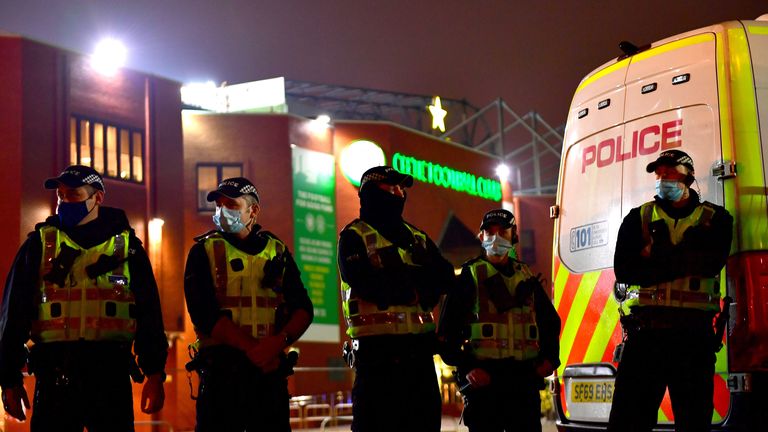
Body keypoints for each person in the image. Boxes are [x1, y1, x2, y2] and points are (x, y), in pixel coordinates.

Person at [0, 165, 167, 432]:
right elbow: (13, 314)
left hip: (110, 375)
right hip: (55, 375)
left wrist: (155, 373)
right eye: (60, 196)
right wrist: (8, 379)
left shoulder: (128, 248)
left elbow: (149, 314)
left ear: (97, 198)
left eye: (73, 195)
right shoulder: (39, 245)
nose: (64, 202)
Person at [608, 150, 733, 432]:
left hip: (693, 339)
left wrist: (654, 256)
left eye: (669, 174)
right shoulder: (637, 217)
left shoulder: (717, 219)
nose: (663, 179)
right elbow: (625, 271)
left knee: (693, 423)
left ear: (687, 177)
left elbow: (710, 263)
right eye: (659, 175)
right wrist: (685, 256)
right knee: (627, 423)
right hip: (647, 335)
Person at [184, 177, 313, 432]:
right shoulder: (203, 251)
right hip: (222, 371)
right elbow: (204, 314)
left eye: (230, 204)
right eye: (218, 205)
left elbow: (304, 309)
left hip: (269, 375)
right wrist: (256, 350)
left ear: (252, 210)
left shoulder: (278, 251)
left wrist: (278, 342)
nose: (221, 211)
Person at [338, 166, 455, 432]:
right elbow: (367, 285)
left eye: (401, 190)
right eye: (391, 189)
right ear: (370, 194)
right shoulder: (353, 238)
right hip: (376, 358)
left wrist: (405, 280)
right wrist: (420, 285)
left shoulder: (417, 237)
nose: (399, 194)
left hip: (420, 357)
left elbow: (447, 278)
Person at [438, 208, 561, 432]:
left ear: (514, 236)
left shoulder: (526, 275)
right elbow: (447, 332)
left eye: (502, 232)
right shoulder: (470, 276)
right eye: (489, 232)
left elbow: (550, 321)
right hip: (485, 384)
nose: (495, 238)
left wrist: (550, 358)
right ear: (481, 236)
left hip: (523, 381)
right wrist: (467, 367)